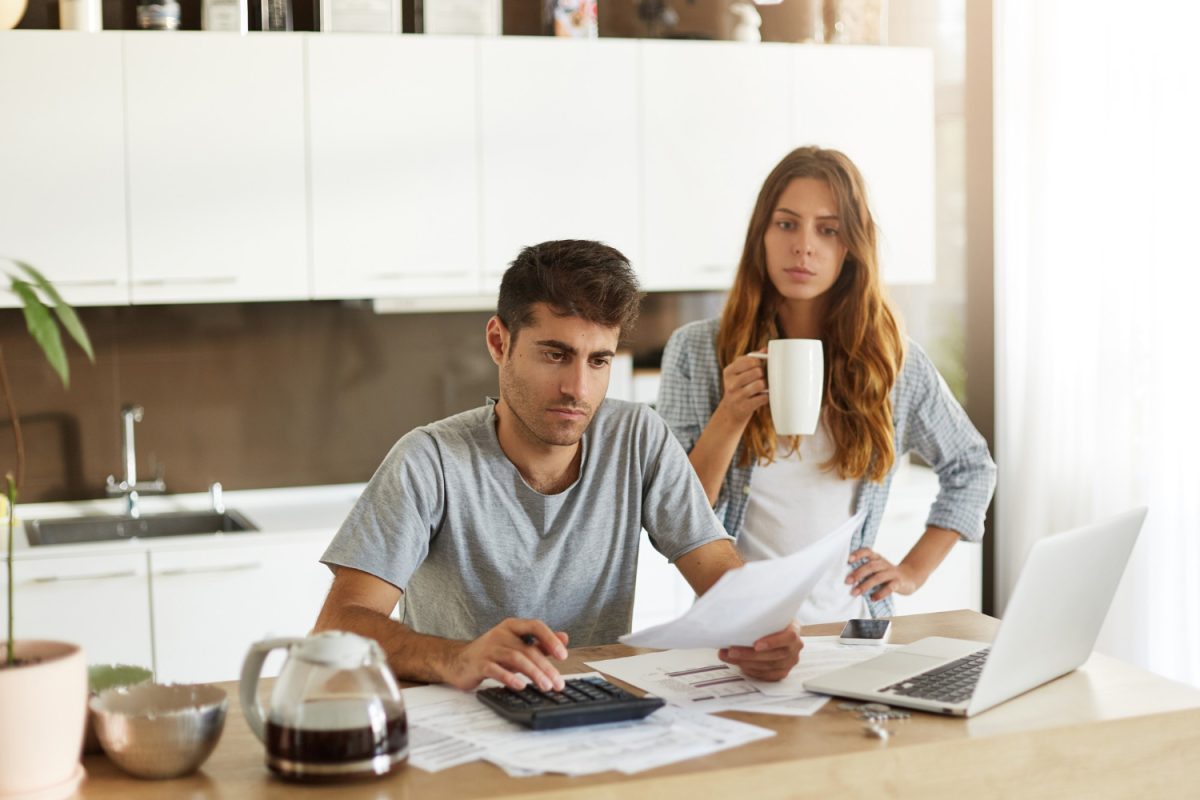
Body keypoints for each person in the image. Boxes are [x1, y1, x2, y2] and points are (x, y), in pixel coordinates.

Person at [316, 239, 802, 693]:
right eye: (556, 354)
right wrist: (458, 658)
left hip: (592, 713)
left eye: (598, 361)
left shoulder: (637, 437)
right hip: (461, 716)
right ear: (499, 342)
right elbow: (338, 626)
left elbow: (720, 569)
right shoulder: (428, 460)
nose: (578, 389)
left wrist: (765, 628)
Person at [657, 147, 997, 624]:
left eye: (828, 229)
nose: (804, 246)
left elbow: (971, 468)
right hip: (734, 630)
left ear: (852, 245)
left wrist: (912, 572)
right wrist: (731, 415)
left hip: (852, 631)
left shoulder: (892, 360)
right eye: (786, 224)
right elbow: (675, 515)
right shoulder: (696, 351)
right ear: (762, 234)